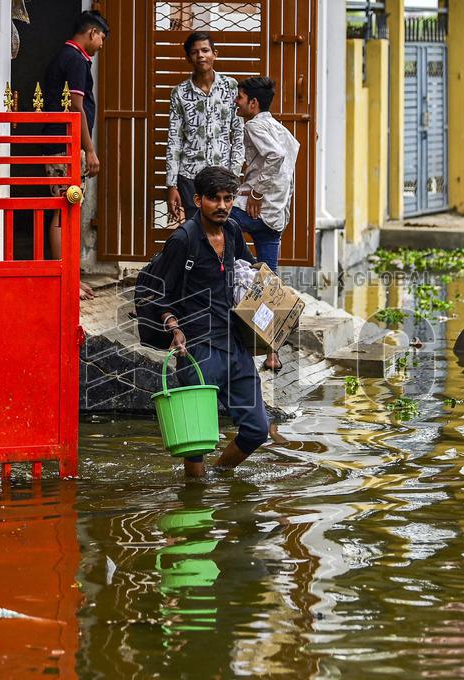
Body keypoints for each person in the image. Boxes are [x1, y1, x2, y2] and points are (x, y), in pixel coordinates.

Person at [153, 166, 269, 478]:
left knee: (258, 429)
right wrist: (174, 326)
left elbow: (249, 274)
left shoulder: (232, 231)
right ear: (198, 199)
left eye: (228, 198)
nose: (221, 205)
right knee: (195, 443)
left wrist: (270, 333)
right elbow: (157, 294)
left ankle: (218, 478)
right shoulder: (183, 241)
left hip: (234, 347)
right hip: (198, 349)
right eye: (214, 198)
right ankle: (195, 501)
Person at [230, 76, 300, 372]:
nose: (236, 102)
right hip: (275, 217)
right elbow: (290, 156)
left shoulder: (254, 125)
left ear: (253, 103)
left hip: (251, 210)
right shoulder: (280, 128)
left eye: (241, 97)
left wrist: (257, 191)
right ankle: (272, 352)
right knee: (269, 282)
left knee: (213, 225)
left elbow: (276, 156)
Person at [41, 10, 109, 260]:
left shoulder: (65, 56)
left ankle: (69, 276)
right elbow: (75, 106)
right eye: (101, 38)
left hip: (60, 142)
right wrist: (90, 150)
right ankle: (65, 277)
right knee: (64, 209)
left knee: (68, 207)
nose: (101, 44)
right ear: (92, 32)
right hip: (65, 145)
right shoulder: (76, 60)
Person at [166, 32, 245, 223]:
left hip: (223, 175)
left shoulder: (231, 87)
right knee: (195, 232)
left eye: (205, 50)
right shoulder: (180, 93)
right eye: (194, 52)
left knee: (223, 232)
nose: (200, 55)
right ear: (188, 58)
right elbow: (174, 140)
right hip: (190, 176)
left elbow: (239, 133)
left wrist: (233, 175)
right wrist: (171, 186)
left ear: (214, 54)